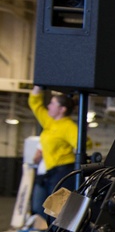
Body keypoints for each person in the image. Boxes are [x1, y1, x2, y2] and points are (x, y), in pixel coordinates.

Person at [28, 86, 80, 219]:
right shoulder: (49, 122)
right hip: (50, 171)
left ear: (62, 109)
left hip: (63, 170)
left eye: (52, 104)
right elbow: (35, 104)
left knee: (57, 209)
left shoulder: (69, 127)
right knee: (39, 206)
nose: (49, 106)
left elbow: (84, 144)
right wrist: (37, 87)